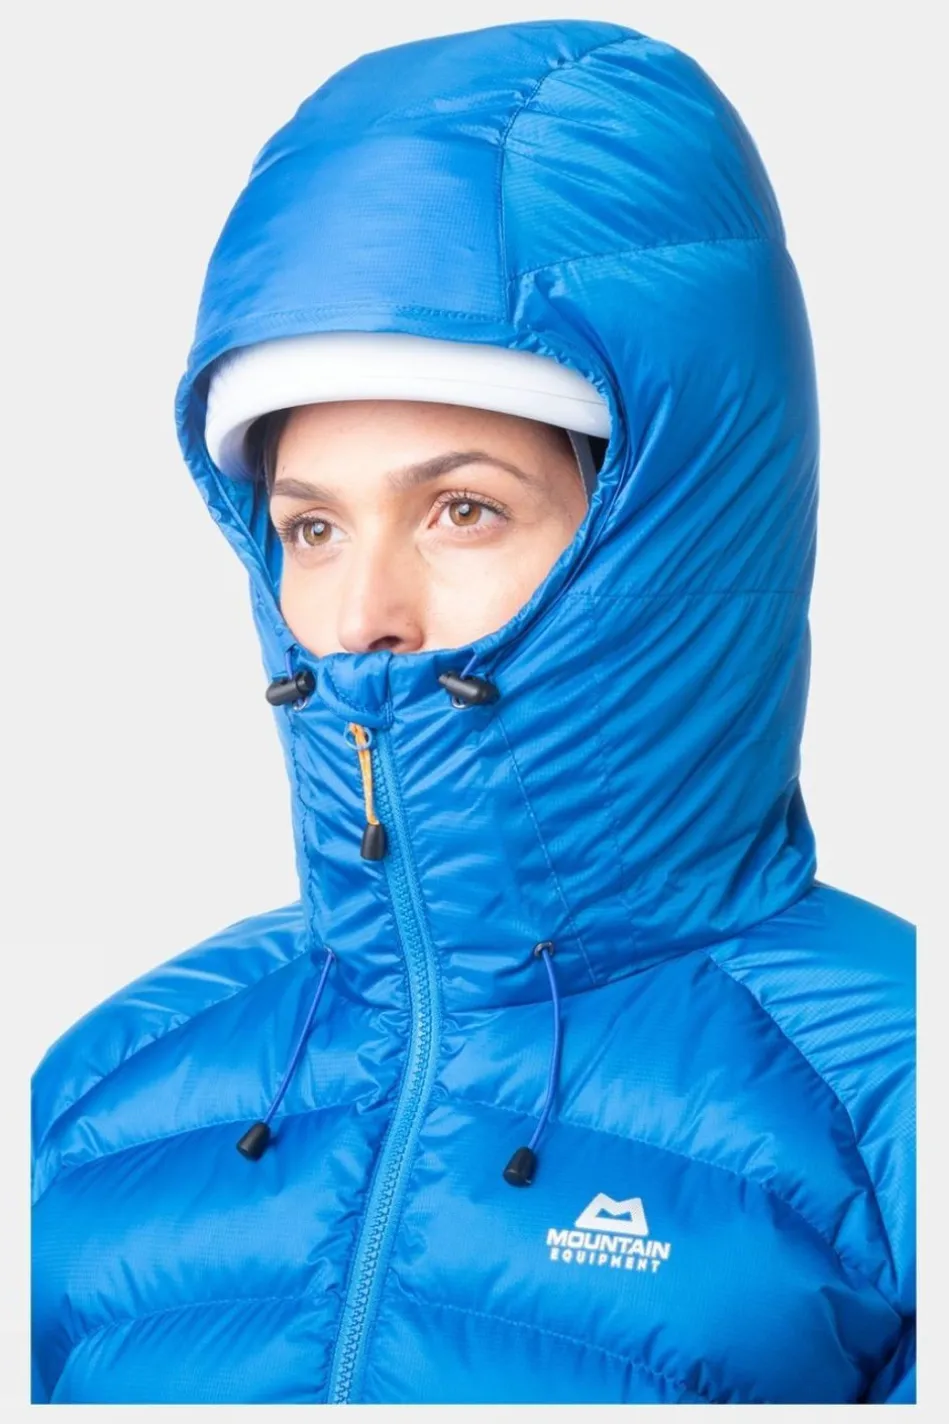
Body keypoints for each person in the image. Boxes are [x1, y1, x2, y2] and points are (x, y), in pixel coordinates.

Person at [30, 16, 916, 1406]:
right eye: (312, 527)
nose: (362, 614)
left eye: (462, 508)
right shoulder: (100, 1095)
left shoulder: (891, 1097)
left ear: (668, 531)